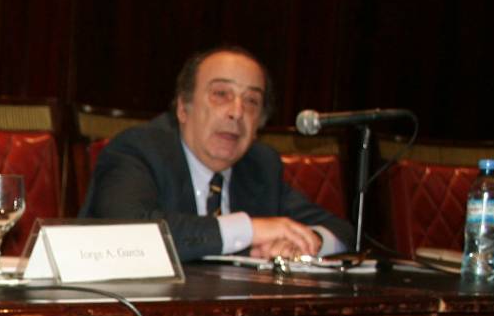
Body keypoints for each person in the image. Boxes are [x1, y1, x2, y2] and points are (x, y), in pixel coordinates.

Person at [80, 46, 355, 261]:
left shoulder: (260, 165)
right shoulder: (138, 150)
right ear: (183, 108)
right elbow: (127, 234)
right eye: (221, 94)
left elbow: (342, 231)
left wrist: (308, 241)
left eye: (251, 101)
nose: (237, 112)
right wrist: (249, 230)